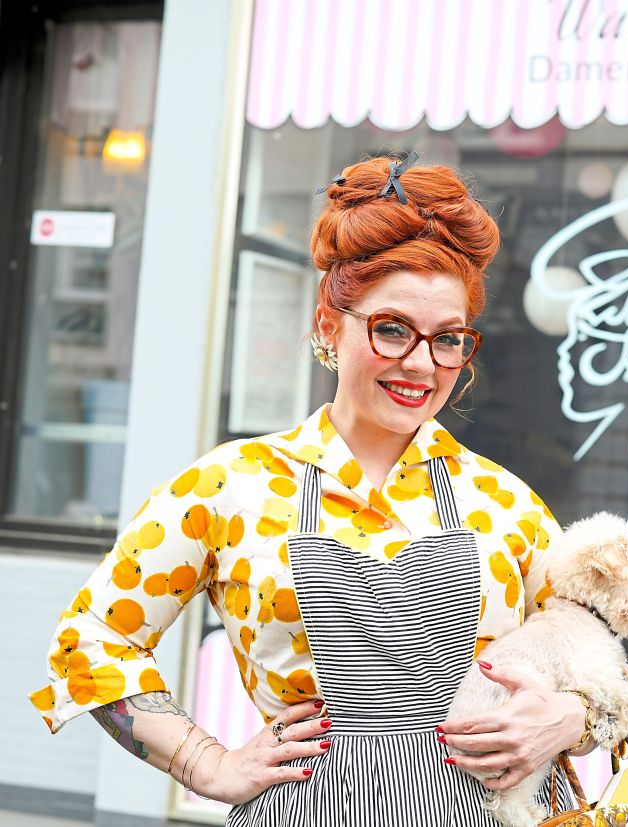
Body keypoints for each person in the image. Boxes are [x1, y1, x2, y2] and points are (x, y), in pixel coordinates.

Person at [29, 155, 593, 825]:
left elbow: (594, 660)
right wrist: (204, 762)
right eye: (391, 328)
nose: (420, 363)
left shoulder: (506, 504)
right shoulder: (229, 486)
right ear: (331, 325)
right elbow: (91, 638)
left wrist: (566, 716)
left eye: (448, 339)